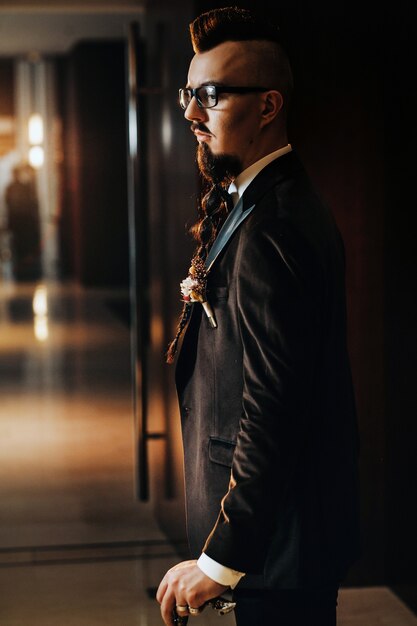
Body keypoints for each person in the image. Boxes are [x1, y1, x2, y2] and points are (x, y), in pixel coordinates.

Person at [157, 7, 360, 626]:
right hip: (271, 545)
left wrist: (221, 560)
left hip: (278, 546)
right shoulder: (256, 201)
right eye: (189, 94)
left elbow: (275, 409)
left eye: (211, 96)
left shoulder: (278, 228)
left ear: (268, 106)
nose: (191, 114)